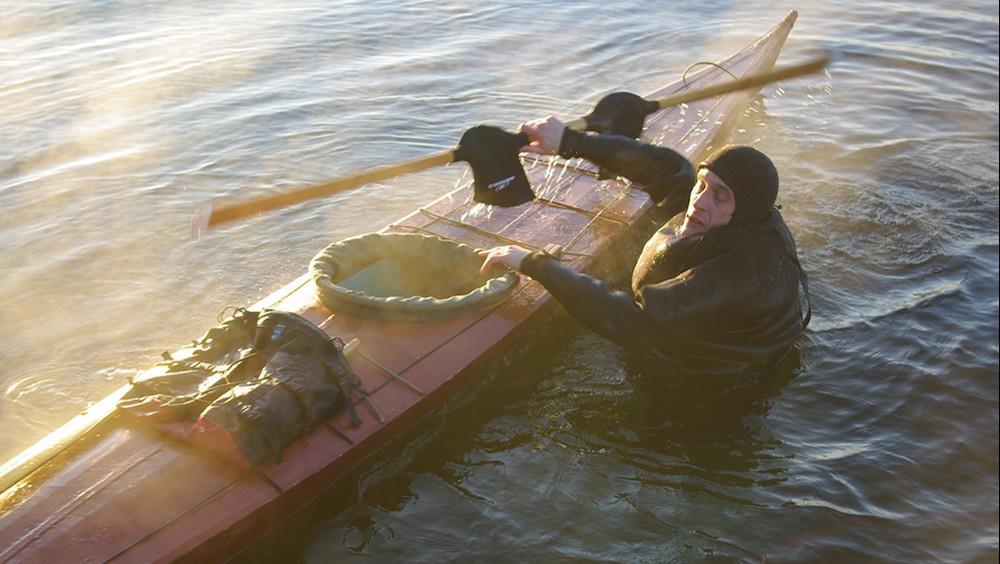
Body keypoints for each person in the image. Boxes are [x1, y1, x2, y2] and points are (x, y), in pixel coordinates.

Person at [479, 117, 810, 376]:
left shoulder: (743, 270)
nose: (699, 201)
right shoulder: (727, 216)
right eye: (703, 184)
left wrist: (534, 264)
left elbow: (635, 322)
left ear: (746, 209)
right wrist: (569, 141)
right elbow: (667, 167)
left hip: (718, 390)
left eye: (719, 195)